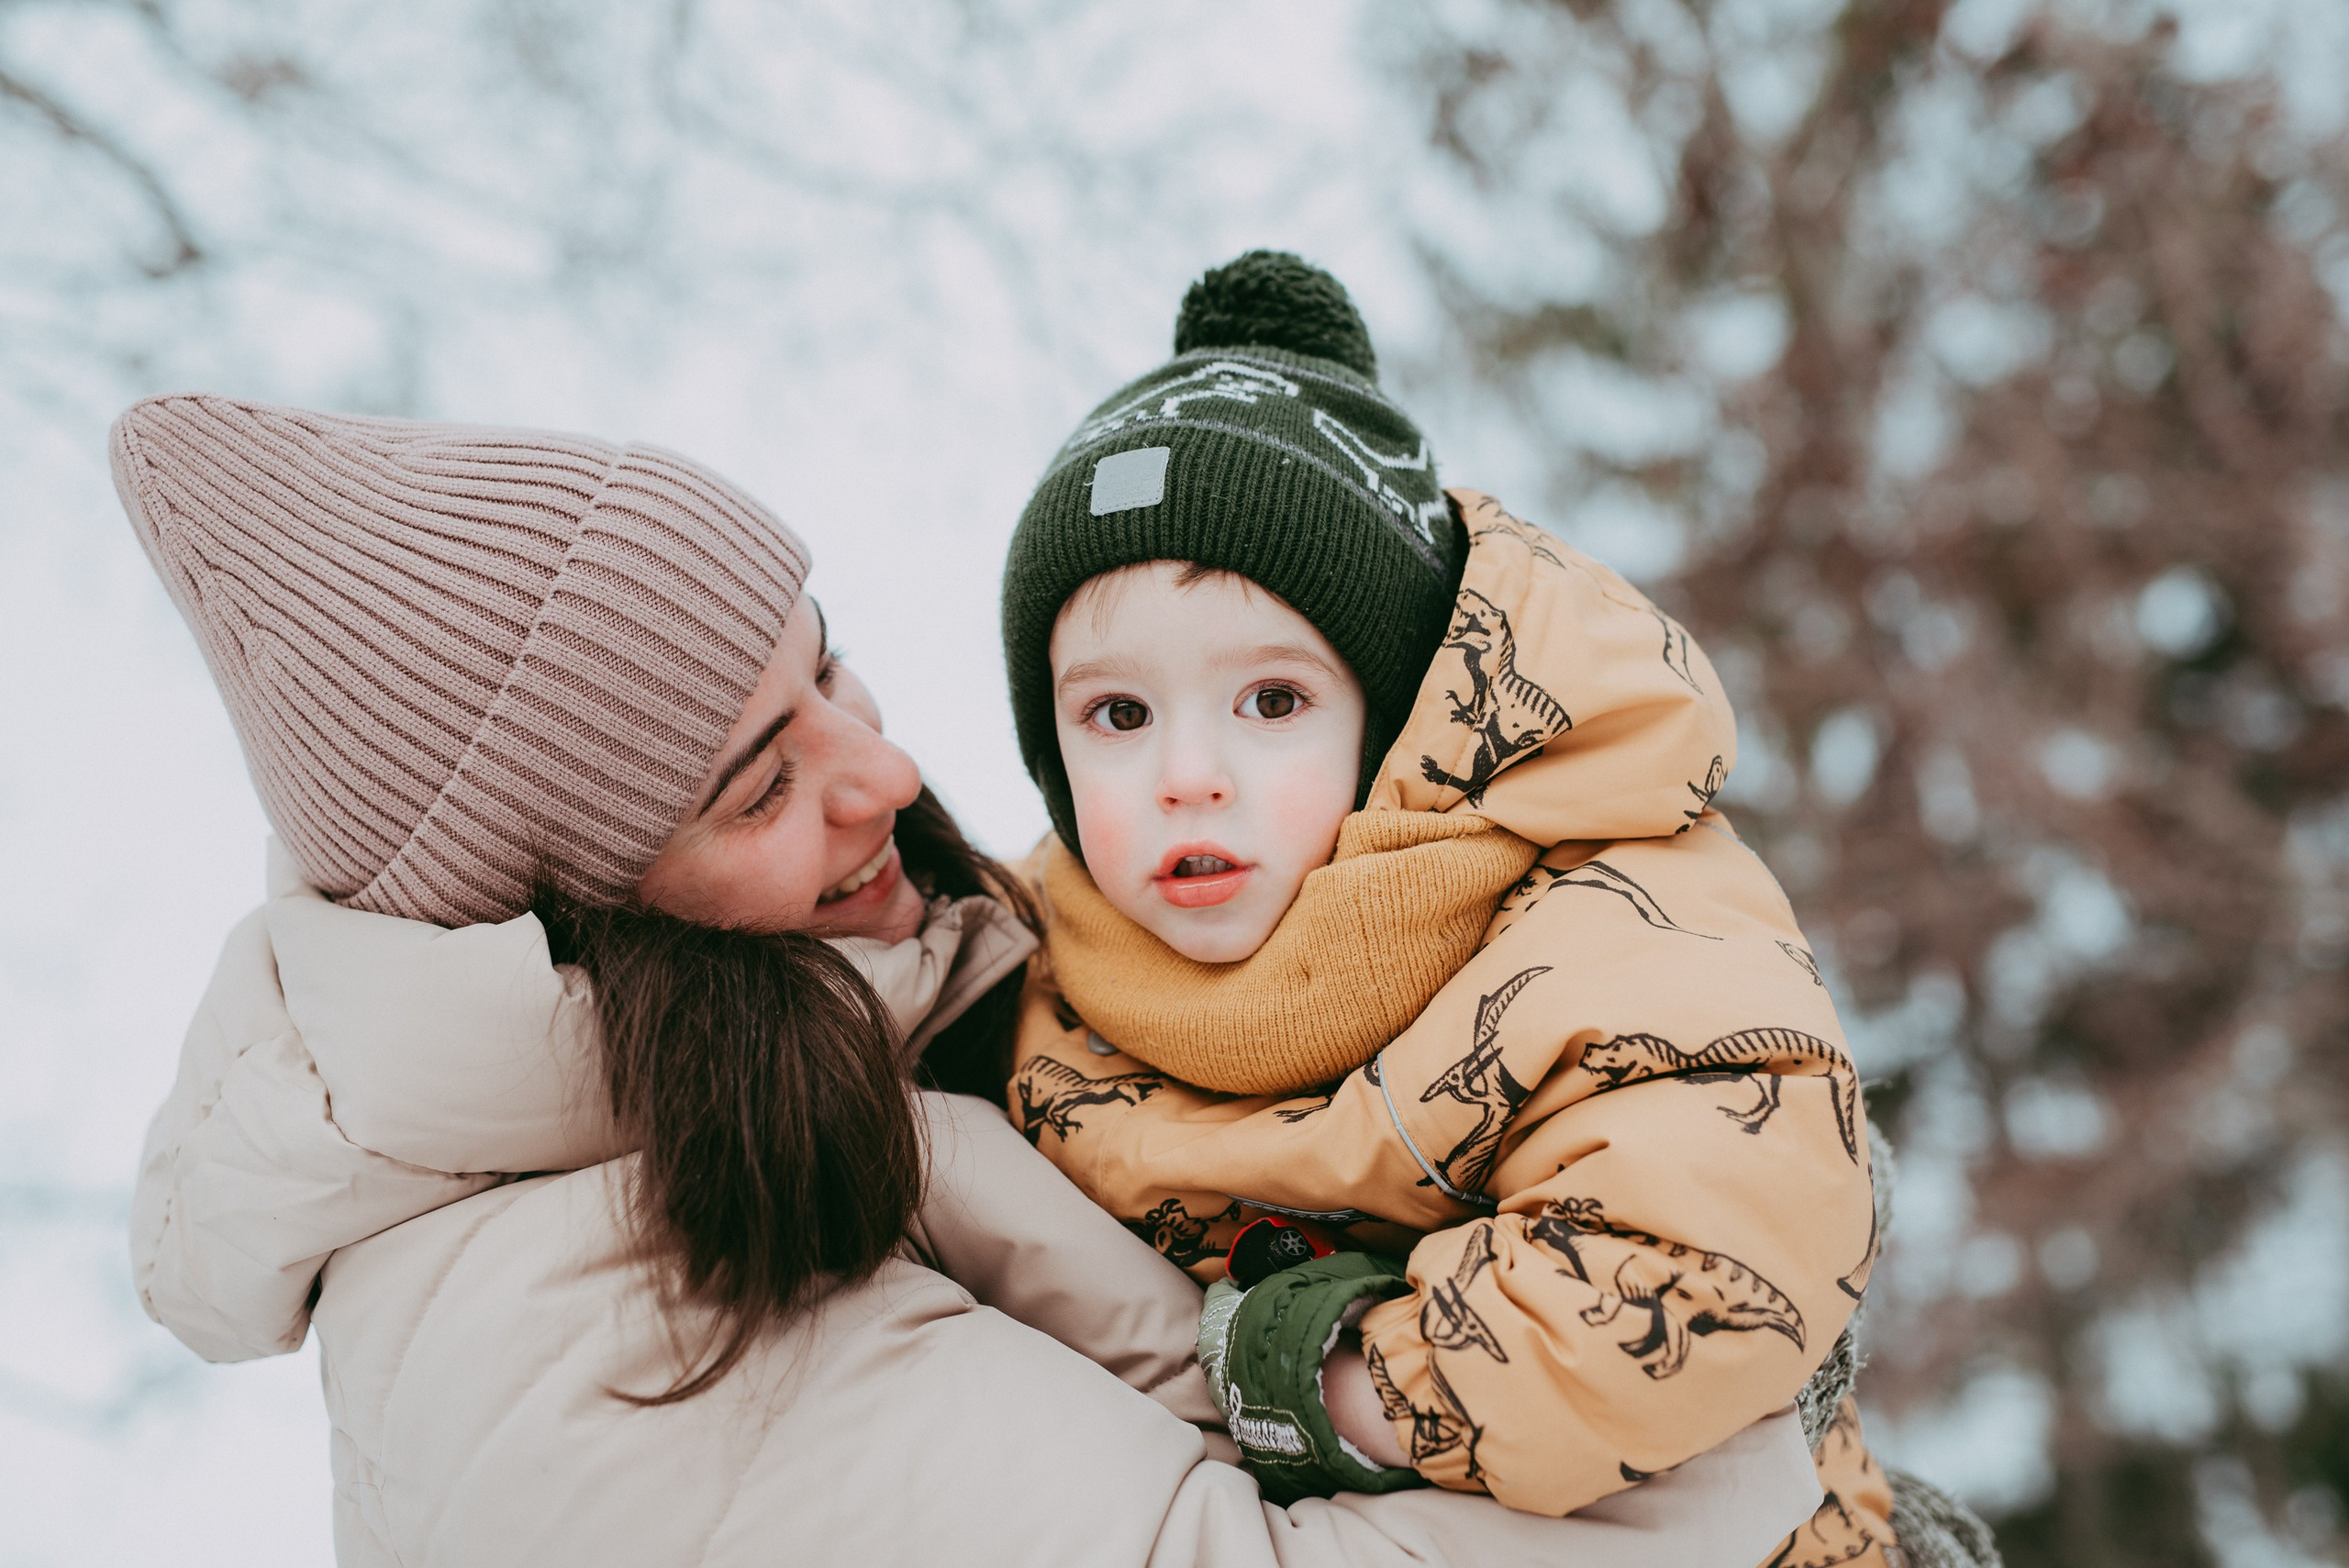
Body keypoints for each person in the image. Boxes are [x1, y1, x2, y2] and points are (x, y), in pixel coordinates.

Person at [115, 393, 1826, 1567]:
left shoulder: (799, 1058)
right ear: (570, 921)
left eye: (828, 667)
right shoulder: (586, 1340)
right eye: (760, 786)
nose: (879, 769)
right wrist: (1741, 1376)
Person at [997, 253, 1935, 1566]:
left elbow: (1704, 1247)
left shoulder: (1592, 909)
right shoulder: (1039, 983)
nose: (1184, 775)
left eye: (1273, 702)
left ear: (1394, 726)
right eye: (1118, 714)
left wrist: (1302, 1383)